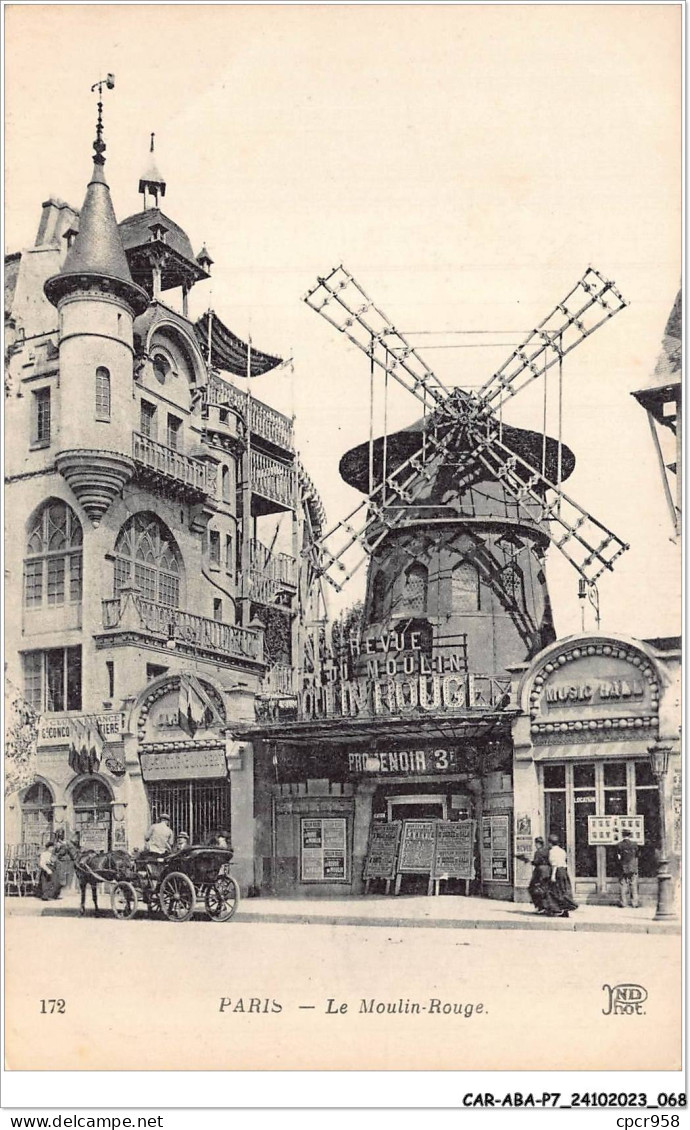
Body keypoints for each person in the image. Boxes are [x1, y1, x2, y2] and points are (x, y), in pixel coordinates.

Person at [543, 833, 578, 918]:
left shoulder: (552, 852)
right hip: (563, 871)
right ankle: (565, 910)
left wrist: (553, 876)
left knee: (555, 891)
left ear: (550, 843)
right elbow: (563, 862)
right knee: (563, 890)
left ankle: (558, 910)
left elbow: (554, 864)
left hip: (557, 872)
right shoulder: (562, 851)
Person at [517, 837, 551, 912]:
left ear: (538, 844)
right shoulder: (547, 851)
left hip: (539, 871)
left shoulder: (538, 852)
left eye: (536, 843)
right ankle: (546, 906)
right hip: (547, 871)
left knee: (534, 888)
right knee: (544, 889)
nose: (535, 845)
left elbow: (536, 862)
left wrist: (528, 860)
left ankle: (540, 906)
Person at [613, 828, 640, 908]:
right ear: (630, 835)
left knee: (623, 885)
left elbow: (618, 857)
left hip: (623, 867)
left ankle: (623, 903)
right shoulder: (634, 844)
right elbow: (637, 855)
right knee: (633, 885)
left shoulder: (619, 845)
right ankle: (635, 903)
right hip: (633, 867)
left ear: (622, 835)